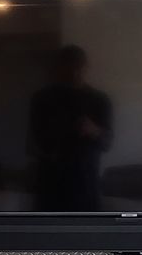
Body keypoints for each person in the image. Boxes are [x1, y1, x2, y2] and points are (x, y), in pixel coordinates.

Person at [29, 45, 113, 210]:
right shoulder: (41, 98)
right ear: (59, 68)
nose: (74, 72)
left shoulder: (100, 100)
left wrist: (94, 130)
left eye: (79, 67)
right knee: (50, 233)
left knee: (86, 233)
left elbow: (108, 143)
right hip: (50, 184)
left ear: (86, 66)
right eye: (69, 67)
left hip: (86, 185)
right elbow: (32, 145)